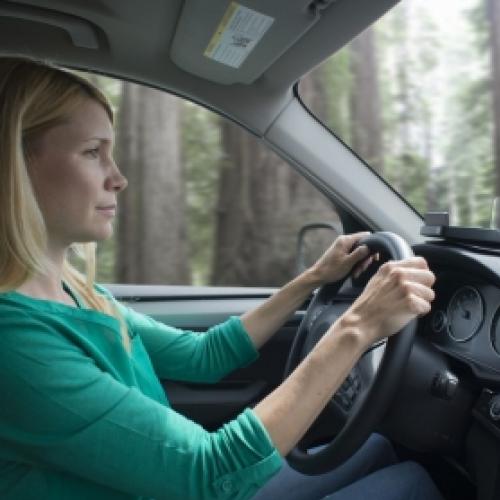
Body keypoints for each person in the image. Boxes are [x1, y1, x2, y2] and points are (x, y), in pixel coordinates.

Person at [0, 56, 443, 500]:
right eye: (92, 152)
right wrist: (357, 326)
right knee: (409, 484)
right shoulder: (15, 342)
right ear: (14, 165)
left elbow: (203, 355)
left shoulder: (75, 292)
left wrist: (312, 278)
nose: (119, 178)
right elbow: (207, 473)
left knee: (376, 449)